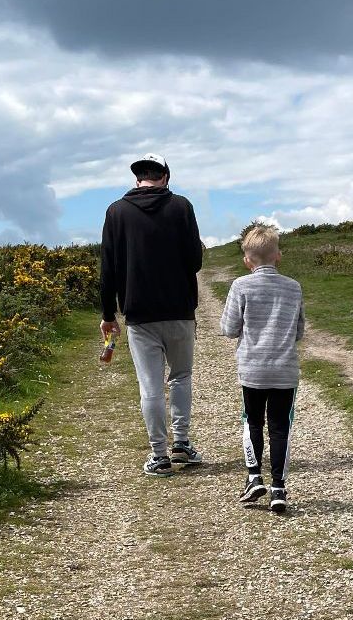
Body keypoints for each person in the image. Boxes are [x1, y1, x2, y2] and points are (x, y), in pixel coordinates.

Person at [100, 153, 205, 477]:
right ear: (166, 177)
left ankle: (159, 455)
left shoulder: (116, 212)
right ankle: (182, 443)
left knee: (151, 386)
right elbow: (195, 263)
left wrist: (108, 315)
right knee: (181, 377)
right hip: (180, 311)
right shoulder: (182, 207)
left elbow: (108, 269)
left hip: (139, 315)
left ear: (137, 179)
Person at [219, 225, 304, 513]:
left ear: (247, 260)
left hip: (252, 369)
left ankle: (254, 476)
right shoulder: (293, 287)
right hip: (284, 370)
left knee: (252, 421)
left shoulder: (240, 286)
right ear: (278, 255)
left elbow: (229, 328)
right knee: (281, 428)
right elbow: (299, 331)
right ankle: (279, 488)